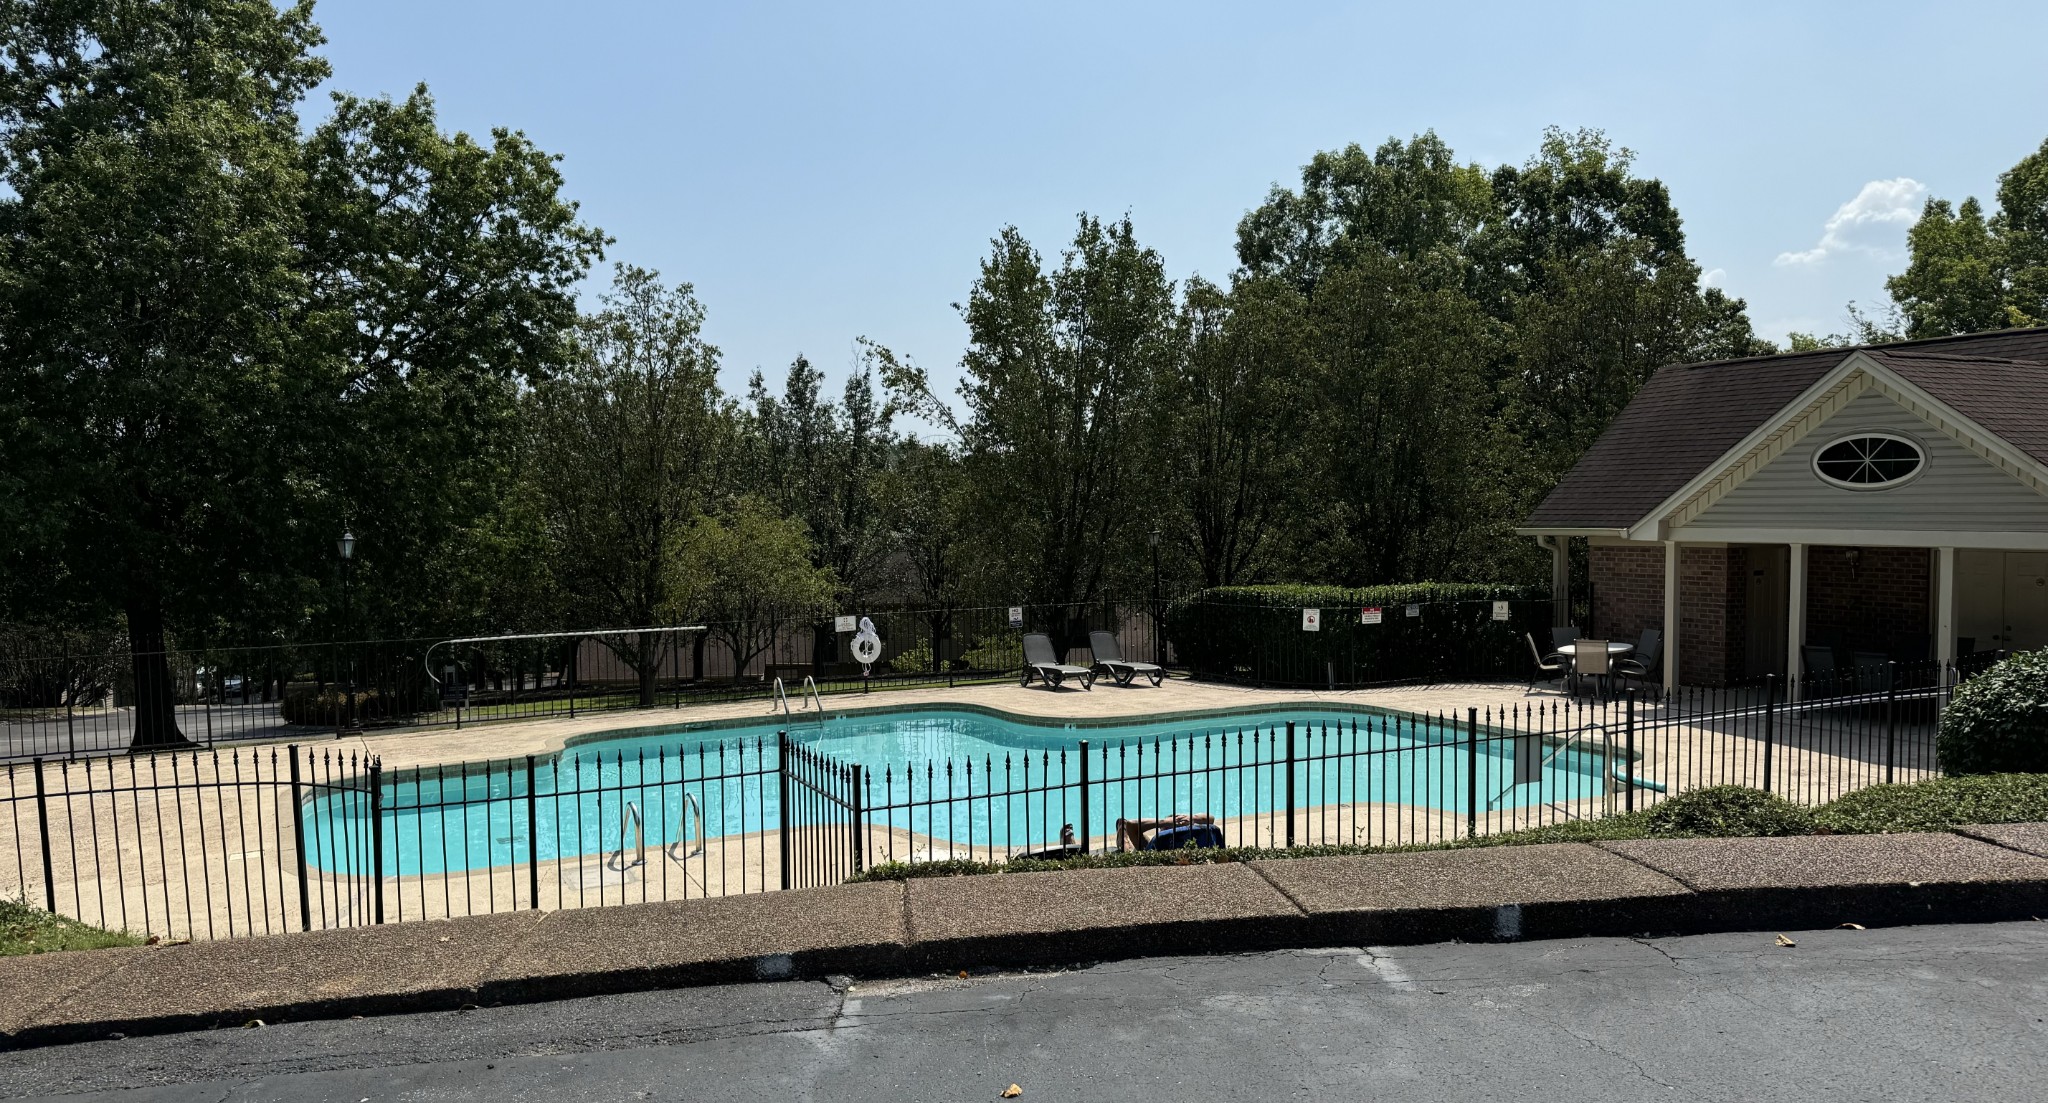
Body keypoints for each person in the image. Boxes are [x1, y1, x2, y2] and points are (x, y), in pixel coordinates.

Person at [1116, 814, 1217, 852]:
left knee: (1129, 851)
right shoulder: (1197, 833)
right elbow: (1211, 818)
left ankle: (1124, 840)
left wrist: (1163, 822)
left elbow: (1131, 824)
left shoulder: (1159, 841)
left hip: (1158, 849)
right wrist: (1191, 818)